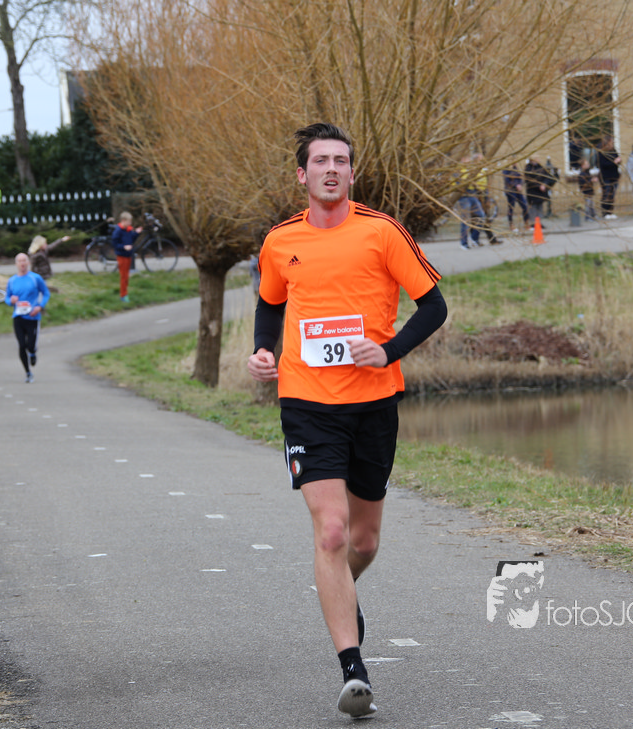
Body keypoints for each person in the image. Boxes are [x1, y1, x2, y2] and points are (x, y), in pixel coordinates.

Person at [247, 123, 447, 719]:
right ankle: (353, 668)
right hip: (307, 403)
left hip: (373, 404)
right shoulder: (281, 240)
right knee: (331, 532)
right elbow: (270, 303)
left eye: (341, 161)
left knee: (362, 541)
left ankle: (340, 586)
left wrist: (388, 351)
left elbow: (433, 305)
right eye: (320, 161)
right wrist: (263, 351)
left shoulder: (381, 232)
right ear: (302, 174)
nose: (331, 169)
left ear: (352, 174)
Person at [5, 252, 50, 383]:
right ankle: (28, 372)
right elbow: (7, 298)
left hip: (32, 317)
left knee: (30, 345)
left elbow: (46, 293)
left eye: (24, 260)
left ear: (28, 263)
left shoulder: (35, 278)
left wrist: (40, 307)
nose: (22, 263)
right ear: (16, 264)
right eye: (20, 261)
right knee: (21, 345)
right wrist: (11, 301)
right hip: (18, 317)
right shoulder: (12, 280)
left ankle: (33, 352)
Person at [110, 211, 141, 302]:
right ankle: (123, 295)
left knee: (126, 276)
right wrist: (124, 247)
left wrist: (137, 233)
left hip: (128, 255)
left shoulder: (128, 230)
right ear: (123, 220)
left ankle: (125, 292)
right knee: (123, 276)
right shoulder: (118, 231)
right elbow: (115, 244)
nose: (130, 223)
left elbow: (131, 239)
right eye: (129, 221)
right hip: (122, 256)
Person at [597, 136, 622, 220]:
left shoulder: (613, 150)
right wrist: (614, 162)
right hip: (605, 176)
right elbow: (603, 164)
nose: (613, 143)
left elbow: (617, 159)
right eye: (611, 142)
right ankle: (605, 212)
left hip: (614, 176)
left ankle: (611, 212)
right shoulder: (602, 152)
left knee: (612, 194)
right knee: (606, 194)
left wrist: (619, 161)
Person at [502, 163, 530, 232]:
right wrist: (515, 185)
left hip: (518, 191)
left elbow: (520, 178)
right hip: (510, 191)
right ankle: (511, 224)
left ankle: (526, 223)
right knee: (511, 207)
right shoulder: (506, 169)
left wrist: (520, 185)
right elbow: (507, 180)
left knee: (525, 206)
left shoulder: (516, 169)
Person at [524, 156, 551, 225]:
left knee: (540, 207)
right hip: (532, 192)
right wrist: (539, 186)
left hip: (540, 193)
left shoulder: (541, 168)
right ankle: (533, 223)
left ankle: (539, 223)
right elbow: (529, 181)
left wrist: (544, 184)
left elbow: (547, 177)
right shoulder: (528, 168)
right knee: (533, 208)